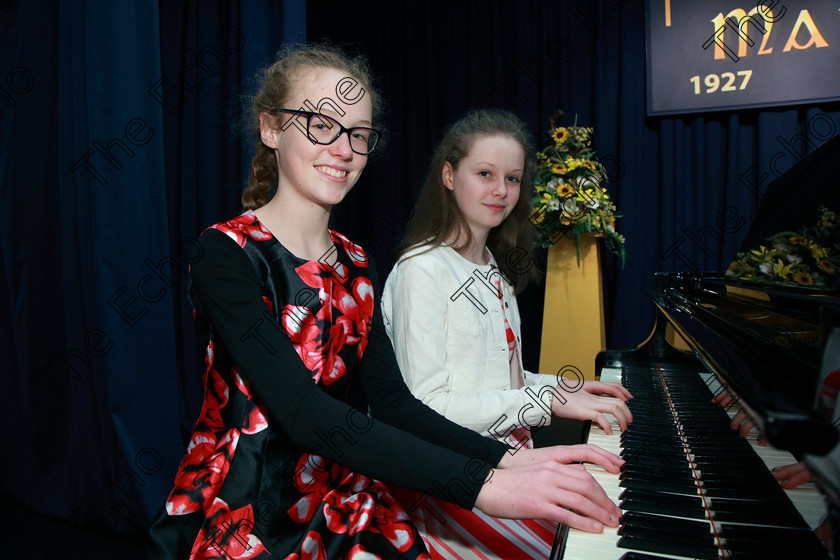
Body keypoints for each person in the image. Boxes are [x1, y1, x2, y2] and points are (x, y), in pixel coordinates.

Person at [147, 46, 624, 560]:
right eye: (320, 124)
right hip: (244, 510)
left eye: (357, 134)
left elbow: (395, 405)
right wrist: (486, 484)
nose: (344, 149)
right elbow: (304, 414)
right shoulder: (226, 252)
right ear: (269, 128)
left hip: (340, 500)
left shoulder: (355, 262)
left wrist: (507, 462)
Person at [381, 109, 633, 557]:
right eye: (485, 173)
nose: (501, 191)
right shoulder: (421, 269)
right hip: (454, 477)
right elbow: (426, 408)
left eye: (513, 179)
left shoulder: (492, 268)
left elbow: (501, 381)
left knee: (605, 514)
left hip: (511, 457)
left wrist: (567, 387)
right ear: (449, 175)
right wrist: (548, 402)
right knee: (593, 533)